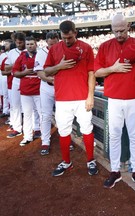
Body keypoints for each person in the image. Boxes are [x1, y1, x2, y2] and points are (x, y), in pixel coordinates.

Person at [94, 14, 135, 189]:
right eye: (115, 31)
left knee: (134, 135)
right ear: (111, 29)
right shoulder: (105, 46)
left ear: (128, 26)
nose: (119, 34)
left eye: (122, 30)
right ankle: (115, 171)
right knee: (114, 135)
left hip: (134, 97)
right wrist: (113, 68)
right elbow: (97, 72)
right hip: (113, 97)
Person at [44, 20, 97, 176]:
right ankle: (67, 162)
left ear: (75, 33)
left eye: (69, 37)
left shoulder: (86, 48)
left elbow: (91, 73)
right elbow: (46, 71)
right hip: (62, 99)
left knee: (87, 129)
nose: (66, 41)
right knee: (64, 131)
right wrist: (59, 66)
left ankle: (91, 160)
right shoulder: (54, 49)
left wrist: (90, 96)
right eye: (64, 37)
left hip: (82, 98)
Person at [13, 36, 41, 147]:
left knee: (42, 113)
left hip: (39, 89)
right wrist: (24, 72)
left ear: (36, 44)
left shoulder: (40, 55)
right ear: (26, 45)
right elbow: (15, 72)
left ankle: (45, 136)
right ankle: (28, 136)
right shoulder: (21, 56)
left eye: (32, 44)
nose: (30, 46)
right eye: (28, 44)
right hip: (25, 90)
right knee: (27, 114)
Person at [34, 31, 59, 155]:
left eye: (55, 44)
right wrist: (50, 80)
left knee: (63, 115)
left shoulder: (62, 49)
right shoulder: (41, 52)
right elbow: (39, 72)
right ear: (46, 42)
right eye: (50, 44)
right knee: (46, 115)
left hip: (62, 87)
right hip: (46, 88)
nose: (52, 46)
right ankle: (45, 141)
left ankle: (66, 138)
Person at [5, 32, 26, 138]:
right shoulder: (12, 52)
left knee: (31, 107)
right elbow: (6, 68)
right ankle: (17, 128)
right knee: (15, 105)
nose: (19, 44)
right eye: (17, 42)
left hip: (28, 81)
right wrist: (17, 64)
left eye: (21, 42)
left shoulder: (30, 50)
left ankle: (34, 128)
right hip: (16, 80)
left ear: (24, 41)